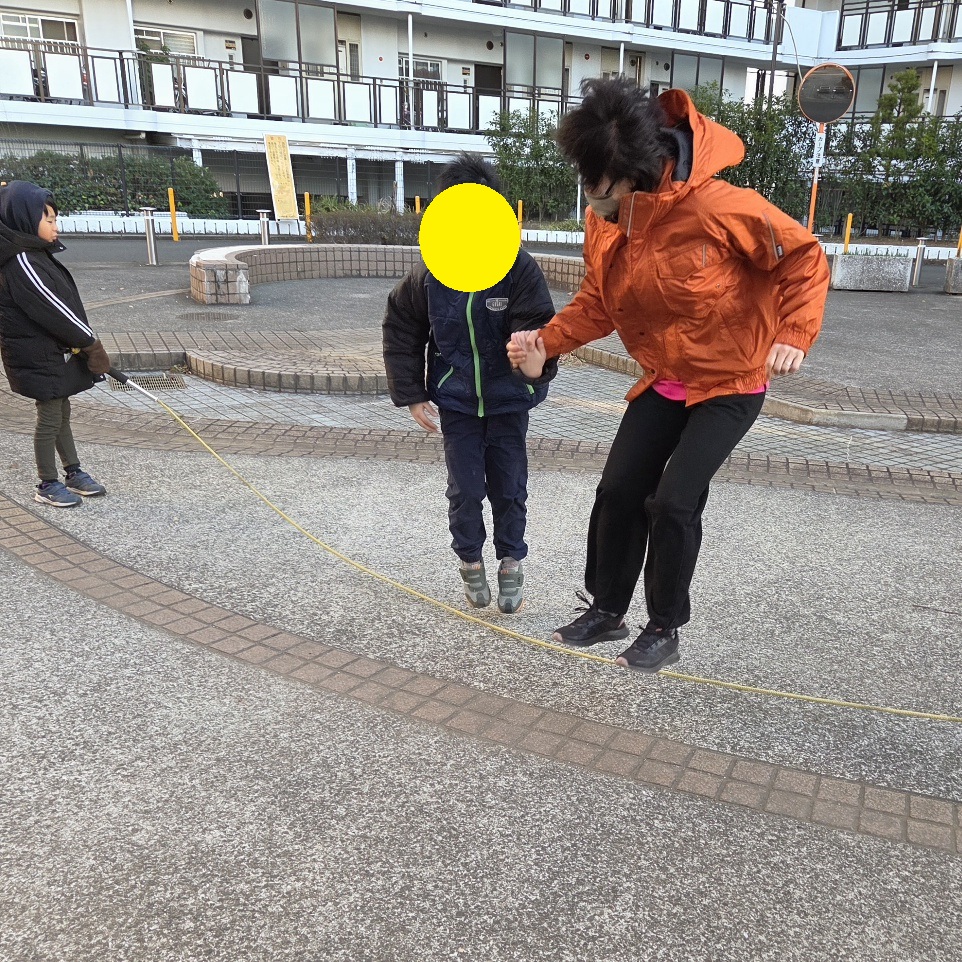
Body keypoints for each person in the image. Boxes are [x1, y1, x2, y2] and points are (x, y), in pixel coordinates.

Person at [508, 78, 829, 671]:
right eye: (585, 179)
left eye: (600, 184)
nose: (590, 195)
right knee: (618, 490)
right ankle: (608, 609)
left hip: (731, 381)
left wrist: (794, 332)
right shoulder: (608, 220)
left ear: (636, 170)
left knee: (674, 501)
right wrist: (544, 345)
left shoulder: (719, 207)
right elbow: (598, 303)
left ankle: (664, 627)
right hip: (665, 377)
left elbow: (805, 257)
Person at [383, 153, 558, 613]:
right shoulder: (431, 272)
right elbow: (402, 326)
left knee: (510, 488)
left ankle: (511, 563)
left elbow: (540, 330)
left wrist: (531, 364)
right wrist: (413, 394)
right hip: (457, 402)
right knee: (464, 490)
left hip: (507, 402)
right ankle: (470, 561)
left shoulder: (518, 268)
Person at [0, 180, 112, 508]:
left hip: (53, 353)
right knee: (50, 416)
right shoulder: (22, 262)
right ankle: (47, 482)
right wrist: (91, 344)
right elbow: (54, 310)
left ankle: (73, 472)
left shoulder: (35, 254)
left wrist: (83, 343)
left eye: (55, 219)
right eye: (48, 219)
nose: (55, 226)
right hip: (37, 355)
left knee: (62, 412)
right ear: (24, 219)